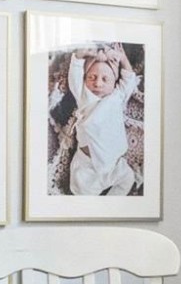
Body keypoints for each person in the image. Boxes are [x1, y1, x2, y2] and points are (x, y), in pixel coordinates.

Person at [53, 45, 141, 197]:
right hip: (88, 165)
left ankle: (110, 207)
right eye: (91, 77)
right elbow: (74, 75)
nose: (98, 83)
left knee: (128, 178)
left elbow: (129, 78)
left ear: (114, 82)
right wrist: (80, 56)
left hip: (114, 164)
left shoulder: (117, 96)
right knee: (81, 189)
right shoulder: (84, 97)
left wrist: (123, 59)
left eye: (105, 79)